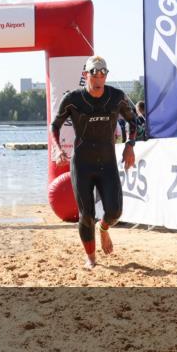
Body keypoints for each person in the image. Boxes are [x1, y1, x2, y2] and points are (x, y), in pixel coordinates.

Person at [51, 55, 137, 270]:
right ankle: (90, 257)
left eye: (102, 74)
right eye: (94, 74)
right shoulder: (73, 99)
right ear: (85, 75)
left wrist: (129, 145)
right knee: (86, 215)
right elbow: (55, 125)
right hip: (82, 164)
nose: (99, 78)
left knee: (115, 212)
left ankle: (104, 228)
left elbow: (133, 120)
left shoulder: (116, 97)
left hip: (107, 162)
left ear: (106, 75)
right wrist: (58, 148)